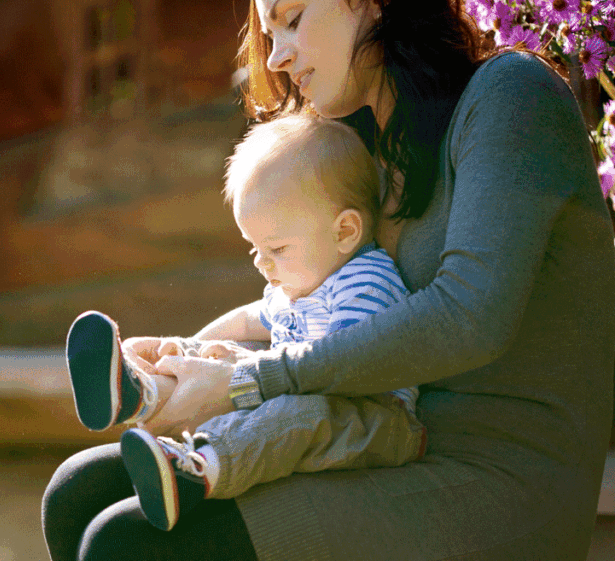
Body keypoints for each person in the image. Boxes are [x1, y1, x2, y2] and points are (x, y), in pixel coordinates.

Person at [41, 0, 615, 561]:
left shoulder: (510, 97)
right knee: (77, 488)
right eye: (269, 32)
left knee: (125, 541)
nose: (277, 55)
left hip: (496, 479)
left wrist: (241, 382)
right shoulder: (367, 145)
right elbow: (314, 308)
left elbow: (467, 315)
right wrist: (187, 356)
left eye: (291, 19)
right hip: (380, 439)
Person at [65, 114, 426, 532]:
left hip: (377, 422)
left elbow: (343, 371)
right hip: (309, 395)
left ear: (345, 231)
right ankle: (139, 392)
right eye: (253, 247)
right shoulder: (297, 285)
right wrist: (182, 350)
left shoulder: (365, 282)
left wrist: (235, 372)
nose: (261, 262)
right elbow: (245, 320)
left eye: (276, 247)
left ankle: (197, 472)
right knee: (236, 359)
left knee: (297, 411)